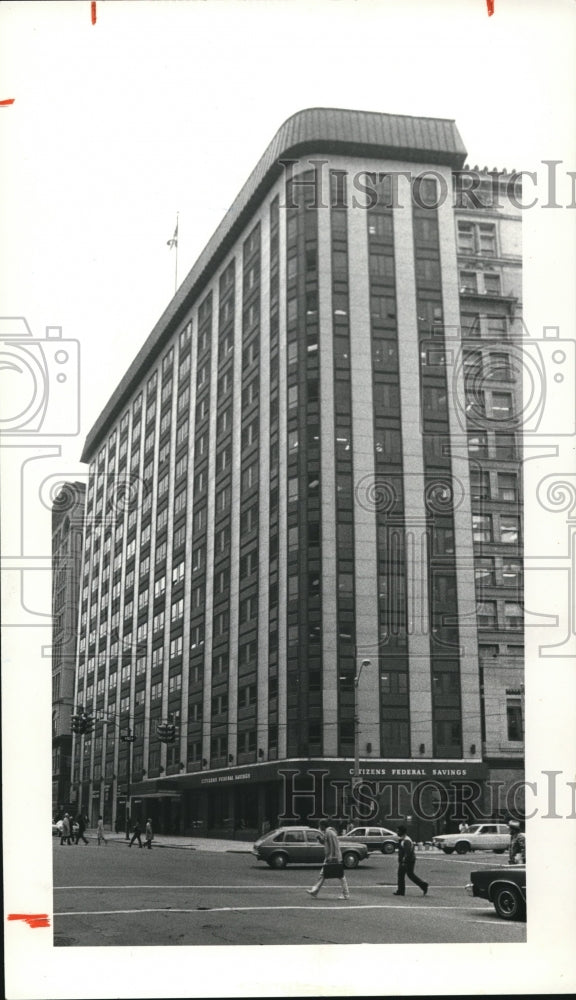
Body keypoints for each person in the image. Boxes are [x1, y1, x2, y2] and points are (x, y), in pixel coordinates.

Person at [307, 819, 350, 900]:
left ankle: (346, 894)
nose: (319, 827)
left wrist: (332, 857)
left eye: (320, 825)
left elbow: (334, 845)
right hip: (331, 857)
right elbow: (326, 843)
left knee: (341, 876)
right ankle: (315, 891)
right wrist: (320, 839)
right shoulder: (327, 832)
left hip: (333, 857)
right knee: (323, 874)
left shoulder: (330, 832)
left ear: (323, 825)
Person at [394, 825, 429, 897]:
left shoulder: (407, 841)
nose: (397, 832)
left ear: (401, 832)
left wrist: (404, 861)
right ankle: (422, 885)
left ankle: (401, 891)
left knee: (404, 875)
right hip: (407, 860)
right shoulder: (403, 839)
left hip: (408, 861)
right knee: (407, 875)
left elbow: (408, 852)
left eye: (398, 831)